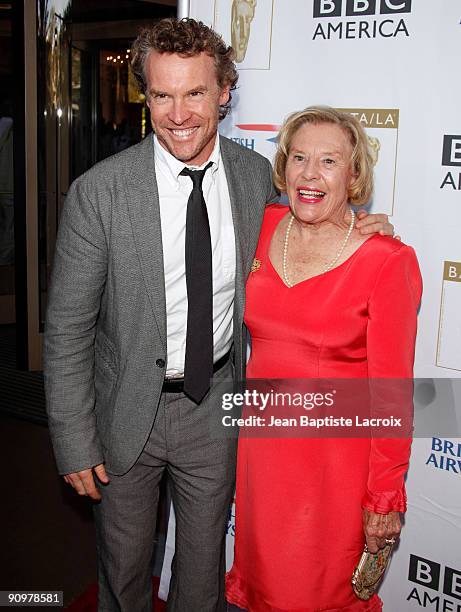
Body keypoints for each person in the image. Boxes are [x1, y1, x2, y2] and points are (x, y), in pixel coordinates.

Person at [44, 18, 393, 612]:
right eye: (162, 94)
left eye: (195, 93)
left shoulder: (256, 177)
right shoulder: (98, 194)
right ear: (144, 96)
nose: (178, 113)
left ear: (225, 92)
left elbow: (310, 225)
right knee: (124, 572)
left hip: (220, 407)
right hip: (129, 408)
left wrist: (361, 224)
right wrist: (75, 442)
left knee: (202, 572)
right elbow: (69, 331)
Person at [226, 106, 422, 611]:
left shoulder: (386, 260)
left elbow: (392, 393)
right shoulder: (262, 224)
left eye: (329, 161)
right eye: (298, 158)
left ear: (354, 175)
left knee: (317, 594)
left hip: (333, 467)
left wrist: (384, 498)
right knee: (264, 591)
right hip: (262, 461)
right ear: (283, 168)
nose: (310, 175)